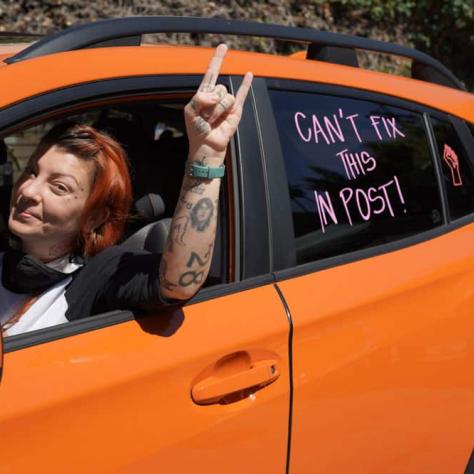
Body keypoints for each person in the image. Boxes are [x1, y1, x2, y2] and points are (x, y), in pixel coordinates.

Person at [0, 44, 253, 336]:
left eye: (59, 187)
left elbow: (177, 283)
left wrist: (206, 154)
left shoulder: (99, 275)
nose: (29, 191)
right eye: (32, 171)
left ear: (94, 217)